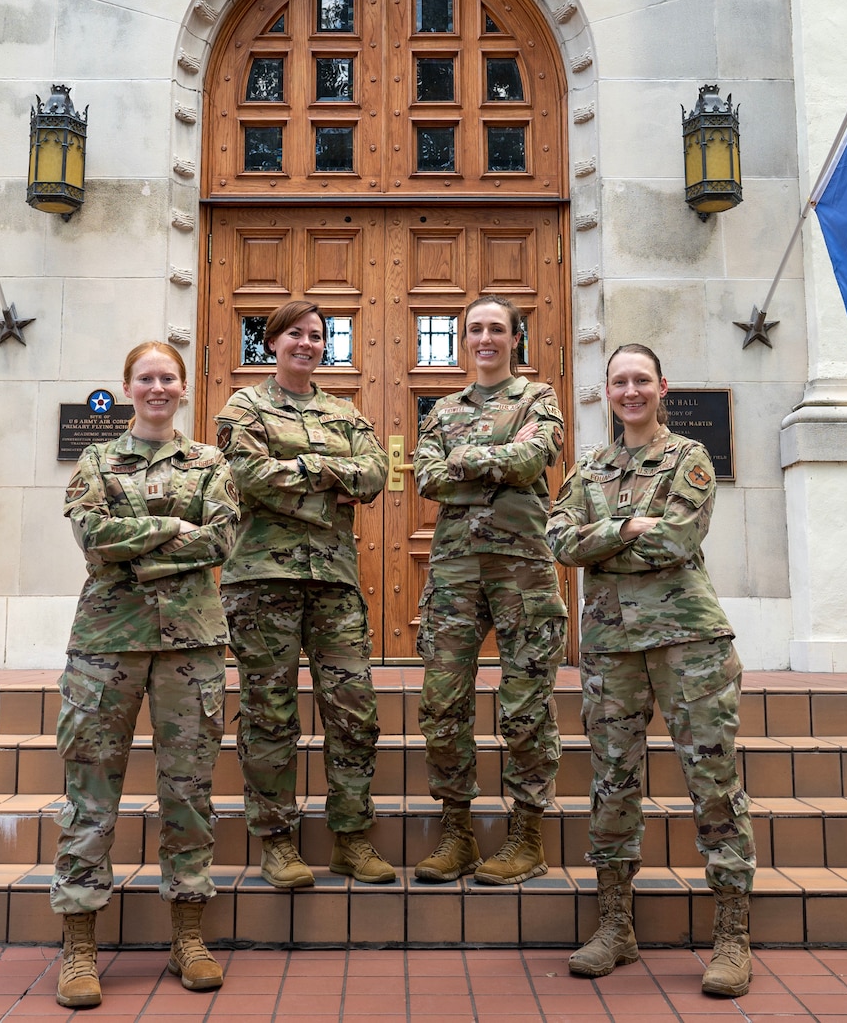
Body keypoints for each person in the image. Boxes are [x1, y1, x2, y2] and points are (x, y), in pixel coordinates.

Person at [548, 343, 754, 998]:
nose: (630, 390)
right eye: (619, 380)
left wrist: (604, 539)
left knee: (712, 779)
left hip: (688, 641)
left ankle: (731, 933)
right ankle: (614, 924)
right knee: (612, 782)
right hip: (611, 647)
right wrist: (626, 526)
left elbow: (677, 538)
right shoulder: (589, 468)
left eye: (641, 379)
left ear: (661, 386)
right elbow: (558, 539)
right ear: (606, 389)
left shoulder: (688, 458)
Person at [53, 341, 240, 1009]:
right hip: (106, 646)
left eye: (168, 377)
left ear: (183, 388)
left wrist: (135, 541)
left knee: (187, 792)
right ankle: (79, 944)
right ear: (128, 386)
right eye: (146, 377)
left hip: (190, 647)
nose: (157, 387)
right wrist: (171, 532)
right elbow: (91, 538)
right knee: (89, 791)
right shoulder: (97, 459)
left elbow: (221, 540)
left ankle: (188, 935)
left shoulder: (210, 462)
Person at [214, 299, 393, 889]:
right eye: (295, 334)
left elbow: (373, 476)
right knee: (270, 715)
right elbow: (248, 476)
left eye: (317, 336)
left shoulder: (345, 413)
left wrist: (299, 469)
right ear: (273, 342)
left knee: (354, 711)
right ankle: (277, 841)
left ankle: (350, 837)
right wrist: (326, 480)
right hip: (263, 581)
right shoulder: (245, 406)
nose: (307, 344)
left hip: (334, 580)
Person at [410, 293, 568, 885]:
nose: (485, 339)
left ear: (514, 338)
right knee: (442, 704)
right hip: (453, 573)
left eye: (496, 329)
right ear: (462, 340)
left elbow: (534, 459)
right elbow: (425, 476)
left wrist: (467, 461)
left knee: (526, 707)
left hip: (523, 571)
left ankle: (527, 836)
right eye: (474, 329)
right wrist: (495, 461)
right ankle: (458, 833)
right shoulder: (442, 408)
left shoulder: (539, 398)